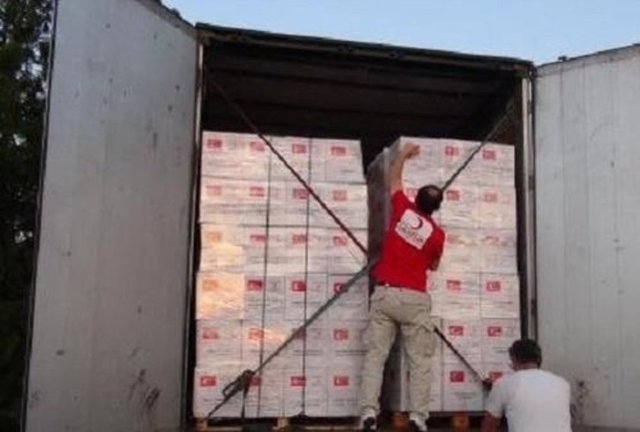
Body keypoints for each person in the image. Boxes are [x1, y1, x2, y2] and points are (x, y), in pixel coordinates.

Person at [359, 143, 445, 432]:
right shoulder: (437, 235)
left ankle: (368, 412)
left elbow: (394, 178)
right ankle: (418, 416)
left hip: (386, 293)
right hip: (414, 299)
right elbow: (434, 266)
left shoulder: (402, 208)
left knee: (375, 356)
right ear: (437, 208)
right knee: (419, 360)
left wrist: (404, 154)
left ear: (415, 197)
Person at [482, 339, 572, 432]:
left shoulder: (503, 384)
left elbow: (489, 426)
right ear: (539, 359)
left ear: (514, 359)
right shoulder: (562, 383)